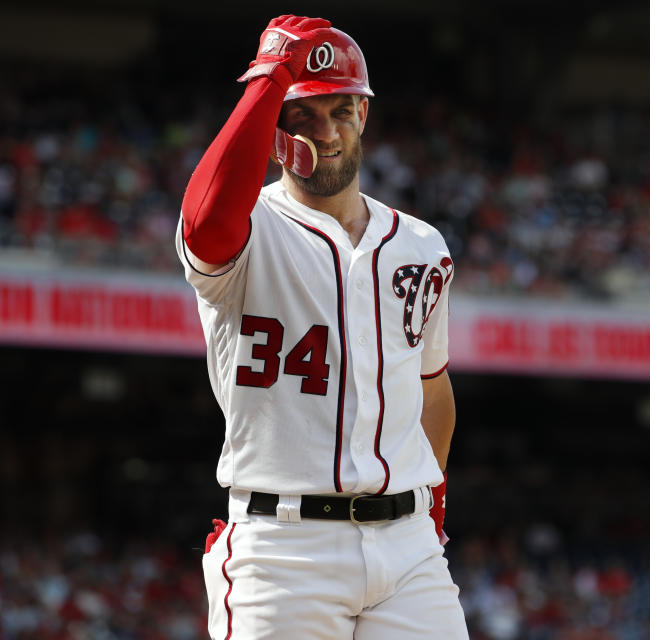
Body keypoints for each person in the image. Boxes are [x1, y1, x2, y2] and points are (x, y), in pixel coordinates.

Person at [175, 15, 468, 639]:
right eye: (302, 116)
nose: (327, 132)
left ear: (364, 113)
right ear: (274, 130)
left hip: (409, 547)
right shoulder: (249, 230)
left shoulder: (421, 245)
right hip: (284, 549)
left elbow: (432, 390)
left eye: (340, 110)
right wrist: (268, 80)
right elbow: (205, 222)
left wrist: (433, 511)